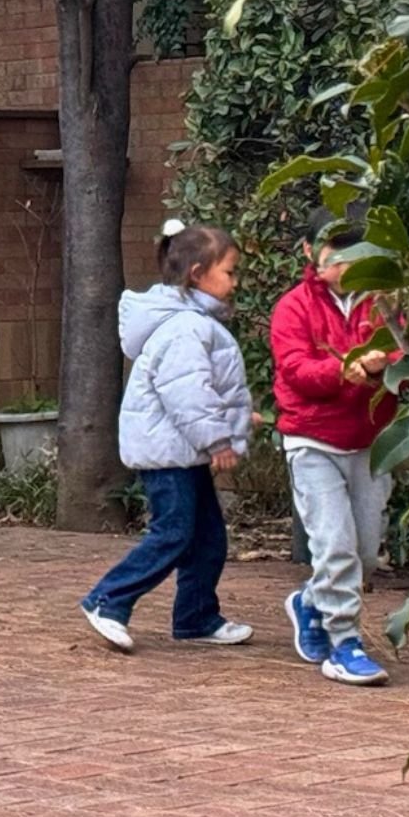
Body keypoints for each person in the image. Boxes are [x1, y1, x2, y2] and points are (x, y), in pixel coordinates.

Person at [81, 223, 255, 652]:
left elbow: (205, 388)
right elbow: (186, 392)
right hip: (168, 453)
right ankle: (107, 600)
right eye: (229, 272)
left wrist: (237, 419)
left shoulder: (194, 322)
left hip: (182, 451)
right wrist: (218, 439)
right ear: (198, 273)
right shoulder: (185, 328)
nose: (234, 281)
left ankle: (196, 617)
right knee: (173, 534)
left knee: (208, 536)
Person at [273, 205, 402, 686]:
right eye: (335, 255)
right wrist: (345, 368)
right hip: (312, 441)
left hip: (370, 442)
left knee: (364, 554)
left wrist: (384, 363)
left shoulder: (384, 301)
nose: (346, 266)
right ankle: (344, 643)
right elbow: (296, 371)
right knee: (335, 546)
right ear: (309, 252)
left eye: (356, 254)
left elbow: (405, 356)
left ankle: (309, 601)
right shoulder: (293, 307)